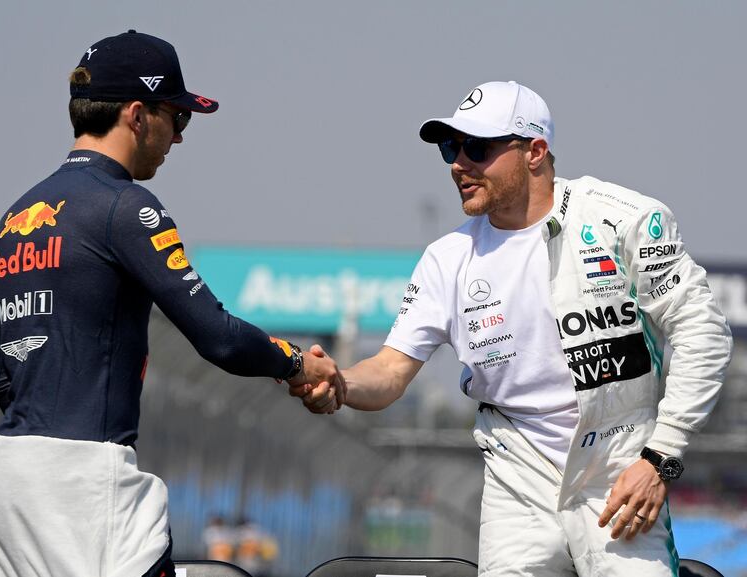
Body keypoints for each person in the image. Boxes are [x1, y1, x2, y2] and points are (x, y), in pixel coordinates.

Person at [292, 80, 732, 576]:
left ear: (535, 152)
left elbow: (704, 333)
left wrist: (660, 459)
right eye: (449, 148)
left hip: (620, 474)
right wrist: (342, 383)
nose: (459, 164)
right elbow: (391, 370)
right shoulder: (447, 259)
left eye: (476, 148)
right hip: (517, 485)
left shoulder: (624, 220)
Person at [0, 30, 344, 577]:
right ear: (136, 114)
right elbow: (216, 334)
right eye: (178, 117)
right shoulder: (126, 206)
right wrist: (295, 363)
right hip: (84, 483)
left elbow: (2, 381)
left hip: (2, 484)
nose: (179, 137)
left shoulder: (15, 218)